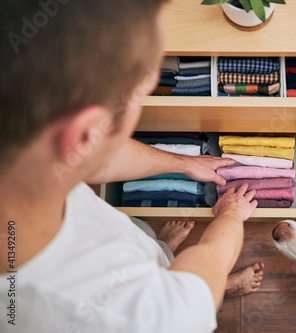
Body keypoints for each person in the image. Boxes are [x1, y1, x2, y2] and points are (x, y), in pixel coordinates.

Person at [0, 0, 262, 332]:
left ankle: (163, 250)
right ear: (82, 134)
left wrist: (185, 164)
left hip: (132, 244)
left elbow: (93, 158)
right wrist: (231, 216)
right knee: (211, 288)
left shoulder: (26, 147)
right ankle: (226, 285)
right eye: (142, 91)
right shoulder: (140, 318)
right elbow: (202, 279)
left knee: (148, 240)